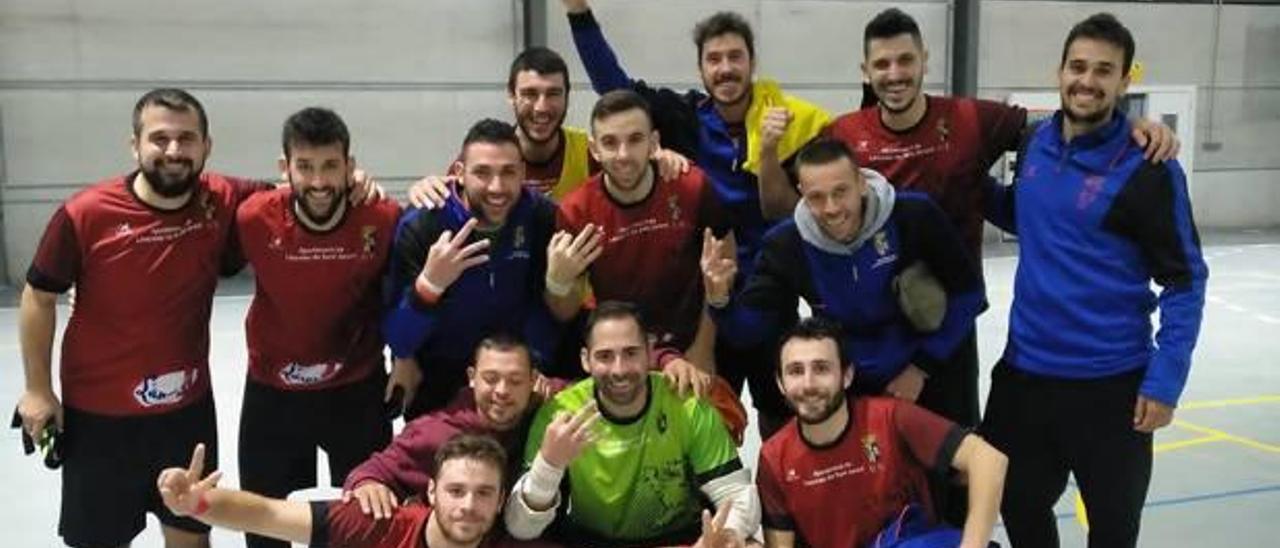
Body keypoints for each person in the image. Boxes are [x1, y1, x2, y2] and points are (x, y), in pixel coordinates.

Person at [979, 13, 1207, 548]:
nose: (1088, 80)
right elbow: (1028, 215)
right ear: (1059, 72)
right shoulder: (1035, 144)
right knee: (1016, 504)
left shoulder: (1150, 169)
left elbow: (1186, 280)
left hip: (1112, 387)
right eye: (1077, 66)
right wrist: (965, 184)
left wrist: (1165, 379)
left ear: (1125, 81)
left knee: (1112, 531)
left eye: (1104, 70)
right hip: (1025, 376)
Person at [15, 89, 274, 548]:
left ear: (206, 147)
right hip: (99, 419)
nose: (173, 151)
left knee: (190, 534)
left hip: (186, 413)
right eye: (159, 138)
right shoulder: (85, 214)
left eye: (186, 138)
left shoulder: (223, 198)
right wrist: (38, 389)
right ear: (134, 145)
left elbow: (301, 187)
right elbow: (38, 296)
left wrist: (354, 180)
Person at [560, 0, 830, 437]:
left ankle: (780, 498)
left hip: (767, 293)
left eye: (735, 57)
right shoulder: (683, 117)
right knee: (708, 425)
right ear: (701, 69)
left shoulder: (790, 122)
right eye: (714, 59)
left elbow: (788, 210)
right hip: (704, 300)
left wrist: (769, 153)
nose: (725, 68)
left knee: (784, 415)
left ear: (752, 62)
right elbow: (613, 85)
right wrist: (579, 14)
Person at [703, 138, 984, 422]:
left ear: (861, 183)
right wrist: (720, 299)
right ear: (801, 193)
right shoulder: (786, 245)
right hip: (849, 389)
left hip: (927, 375)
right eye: (816, 197)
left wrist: (921, 367)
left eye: (840, 192)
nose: (831, 208)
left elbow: (969, 295)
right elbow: (749, 331)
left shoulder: (914, 216)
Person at [231, 107, 408, 547]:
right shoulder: (253, 217)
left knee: (372, 516)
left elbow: (402, 295)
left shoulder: (382, 217)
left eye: (331, 165)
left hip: (356, 387)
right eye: (304, 167)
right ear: (284, 168)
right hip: (273, 391)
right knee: (263, 521)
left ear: (350, 166)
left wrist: (406, 359)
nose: (318, 181)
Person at [504, 301, 760, 546]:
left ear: (649, 352)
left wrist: (724, 536)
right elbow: (522, 529)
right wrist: (549, 466)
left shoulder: (687, 403)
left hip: (681, 540)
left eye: (630, 353)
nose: (619, 369)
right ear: (585, 360)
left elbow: (738, 496)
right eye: (605, 356)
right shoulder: (559, 414)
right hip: (592, 542)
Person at [544, 90, 728, 402]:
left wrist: (703, 348)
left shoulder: (691, 187)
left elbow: (721, 276)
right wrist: (557, 282)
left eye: (635, 139)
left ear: (654, 142)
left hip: (692, 343)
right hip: (622, 358)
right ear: (594, 149)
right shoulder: (576, 211)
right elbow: (564, 312)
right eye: (610, 143)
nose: (624, 154)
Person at [757, 317, 1006, 548]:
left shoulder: (891, 417)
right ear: (780, 383)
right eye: (795, 371)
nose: (808, 384)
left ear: (846, 375)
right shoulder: (774, 457)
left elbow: (989, 460)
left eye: (821, 369)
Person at [383, 119, 560, 419]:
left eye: (508, 172)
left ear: (523, 174)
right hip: (439, 381)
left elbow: (541, 306)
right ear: (459, 174)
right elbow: (398, 338)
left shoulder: (540, 216)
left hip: (510, 378)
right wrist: (429, 286)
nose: (497, 187)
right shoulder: (424, 223)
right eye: (482, 173)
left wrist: (535, 362)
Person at [157, 434, 513, 548]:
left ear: (500, 502)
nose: (468, 505)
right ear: (432, 492)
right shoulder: (377, 524)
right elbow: (268, 513)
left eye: (483, 493)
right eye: (456, 490)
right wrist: (198, 503)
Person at [343, 334, 559, 521]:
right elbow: (375, 471)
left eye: (515, 380)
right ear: (472, 378)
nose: (502, 390)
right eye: (491, 379)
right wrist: (368, 483)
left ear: (533, 381)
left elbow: (586, 391)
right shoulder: (436, 432)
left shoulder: (550, 406)